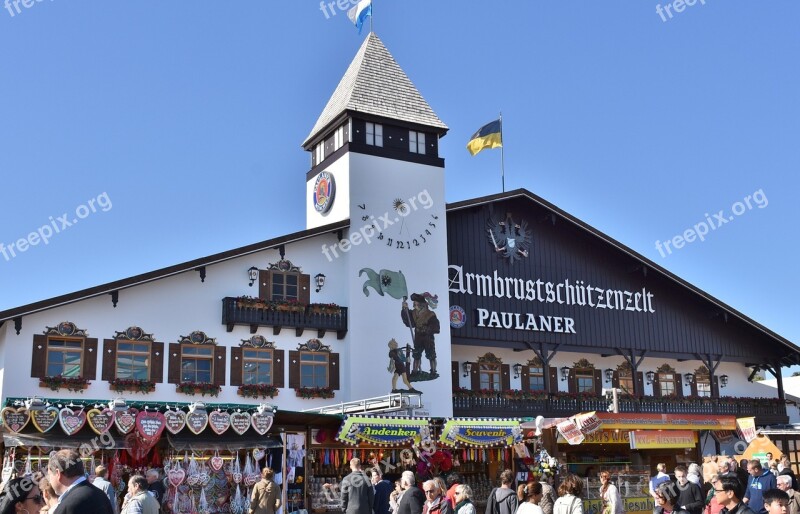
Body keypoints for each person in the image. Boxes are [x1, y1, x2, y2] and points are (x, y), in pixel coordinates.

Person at [48, 449, 115, 514]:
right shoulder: (101, 495)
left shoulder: (68, 505)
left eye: (49, 475)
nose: (49, 481)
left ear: (58, 474)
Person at [401, 292, 440, 375]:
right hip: (418, 337)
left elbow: (436, 326)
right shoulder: (414, 313)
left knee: (431, 355)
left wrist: (427, 329)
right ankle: (415, 371)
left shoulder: (430, 314)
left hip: (427, 338)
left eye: (416, 303)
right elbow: (410, 323)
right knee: (416, 355)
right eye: (414, 304)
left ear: (422, 304)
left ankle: (433, 371)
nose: (414, 305)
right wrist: (405, 310)